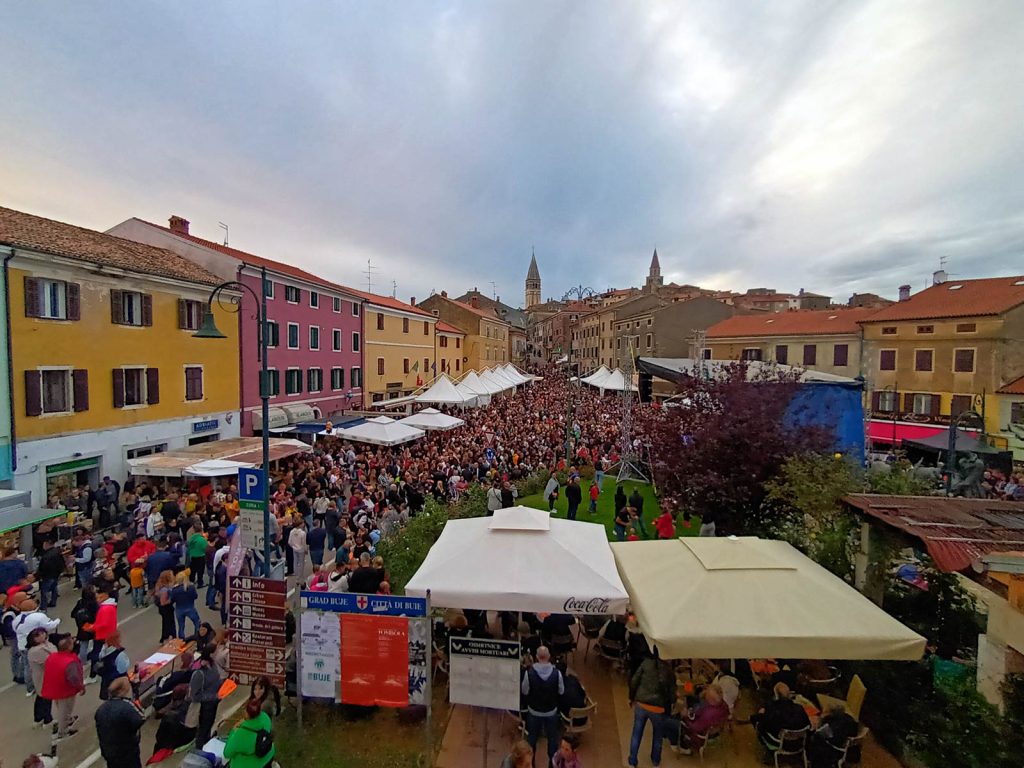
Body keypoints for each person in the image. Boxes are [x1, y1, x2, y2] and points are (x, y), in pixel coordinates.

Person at [627, 649, 675, 768]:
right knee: (657, 735)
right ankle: (655, 761)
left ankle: (632, 761)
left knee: (636, 733)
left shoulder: (646, 663)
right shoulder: (668, 671)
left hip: (641, 704)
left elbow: (634, 681)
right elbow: (671, 693)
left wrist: (631, 697)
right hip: (658, 708)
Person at [521, 645, 564, 765]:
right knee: (552, 740)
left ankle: (530, 764)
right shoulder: (557, 674)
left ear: (536, 657)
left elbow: (525, 691)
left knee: (532, 740)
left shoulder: (529, 673)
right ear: (549, 657)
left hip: (534, 711)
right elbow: (561, 691)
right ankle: (552, 763)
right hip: (551, 712)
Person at [95, 676, 146, 768]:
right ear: (124, 690)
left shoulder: (101, 709)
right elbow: (141, 718)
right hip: (127, 751)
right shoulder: (127, 706)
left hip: (108, 750)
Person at [13, 598, 60, 695]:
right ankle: (48, 684)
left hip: (22, 646)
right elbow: (50, 626)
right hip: (37, 646)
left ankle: (29, 688)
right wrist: (57, 621)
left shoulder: (16, 619)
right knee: (44, 666)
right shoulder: (38, 616)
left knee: (27, 666)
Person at [43, 634, 85, 740]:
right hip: (65, 689)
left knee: (60, 706)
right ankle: (63, 731)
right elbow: (74, 678)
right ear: (69, 647)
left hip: (53, 686)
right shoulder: (70, 661)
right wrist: (81, 687)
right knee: (65, 709)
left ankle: (68, 720)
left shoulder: (52, 657)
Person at [751, 682, 811, 749]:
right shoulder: (799, 708)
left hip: (779, 742)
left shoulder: (772, 708)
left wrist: (757, 716)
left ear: (776, 695)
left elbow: (765, 722)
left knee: (760, 725)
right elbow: (808, 724)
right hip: (799, 744)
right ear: (789, 695)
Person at [223, 696, 276, 768]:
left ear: (246, 713)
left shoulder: (240, 734)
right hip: (267, 757)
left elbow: (227, 753)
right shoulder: (265, 718)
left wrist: (233, 731)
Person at [679, 683, 731, 755]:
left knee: (678, 723)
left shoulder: (708, 714)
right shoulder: (723, 704)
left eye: (707, 694)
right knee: (692, 699)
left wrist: (686, 717)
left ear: (710, 699)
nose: (705, 694)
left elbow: (696, 727)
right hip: (712, 726)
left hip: (701, 733)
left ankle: (684, 748)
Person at [189, 646, 224, 748]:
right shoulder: (199, 673)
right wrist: (214, 696)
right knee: (203, 729)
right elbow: (195, 696)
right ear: (210, 654)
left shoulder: (213, 665)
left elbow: (216, 680)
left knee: (209, 726)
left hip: (214, 704)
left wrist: (223, 686)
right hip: (204, 707)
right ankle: (200, 748)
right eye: (215, 652)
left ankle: (207, 743)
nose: (218, 653)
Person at [26, 627, 55, 727]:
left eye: (43, 633)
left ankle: (38, 718)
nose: (42, 635)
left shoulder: (45, 644)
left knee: (41, 697)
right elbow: (50, 661)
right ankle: (47, 720)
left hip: (45, 675)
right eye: (38, 635)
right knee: (46, 697)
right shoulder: (35, 651)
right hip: (42, 676)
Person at [96, 630, 130, 700]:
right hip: (117, 682)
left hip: (106, 680)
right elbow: (122, 669)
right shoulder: (119, 654)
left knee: (108, 698)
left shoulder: (103, 651)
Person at [36, 539, 65, 611]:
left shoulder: (47, 555)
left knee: (44, 591)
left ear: (46, 544)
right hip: (56, 574)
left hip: (48, 575)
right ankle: (53, 602)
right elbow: (62, 562)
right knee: (54, 588)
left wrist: (39, 575)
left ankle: (43, 606)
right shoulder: (58, 552)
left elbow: (44, 567)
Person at [171, 571, 201, 639]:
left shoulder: (174, 589)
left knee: (181, 626)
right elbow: (195, 596)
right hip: (190, 607)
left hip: (179, 609)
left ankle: (181, 640)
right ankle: (197, 636)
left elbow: (172, 599)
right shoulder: (190, 587)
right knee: (197, 622)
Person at [153, 570, 177, 643]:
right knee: (169, 622)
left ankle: (165, 637)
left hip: (163, 609)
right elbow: (163, 602)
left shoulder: (162, 586)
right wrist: (171, 600)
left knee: (166, 622)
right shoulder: (164, 589)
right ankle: (169, 636)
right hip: (166, 608)